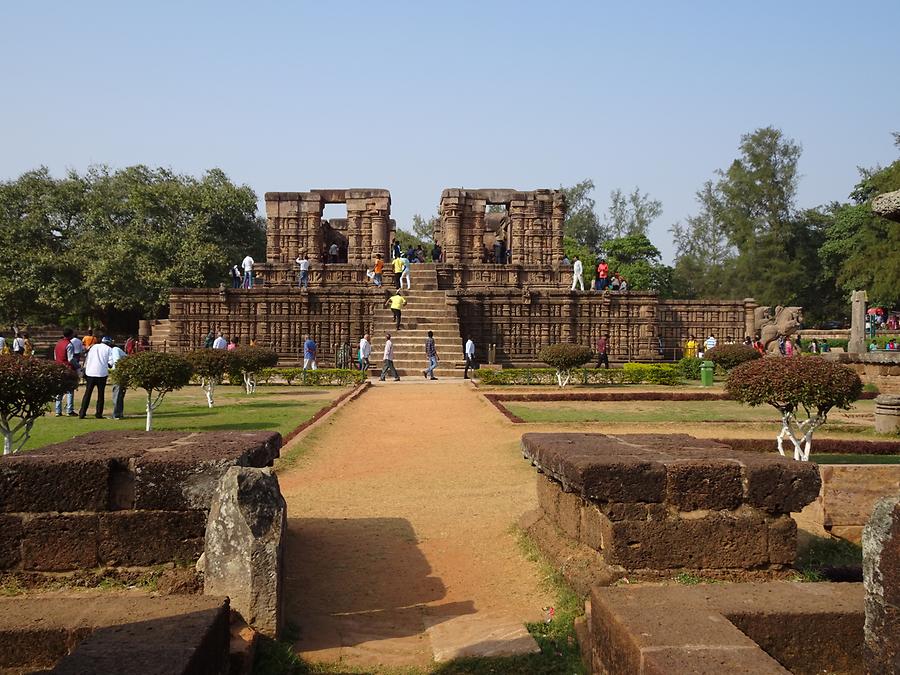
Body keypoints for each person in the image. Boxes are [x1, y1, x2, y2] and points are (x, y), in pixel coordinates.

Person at [79, 336, 113, 419]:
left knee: (87, 393)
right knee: (101, 395)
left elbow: (87, 359)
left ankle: (82, 413)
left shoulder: (93, 347)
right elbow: (110, 363)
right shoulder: (109, 349)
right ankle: (98, 413)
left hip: (90, 372)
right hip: (101, 374)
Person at [54, 328, 79, 416]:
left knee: (59, 390)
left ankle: (57, 410)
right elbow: (70, 358)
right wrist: (77, 365)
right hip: (68, 369)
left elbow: (55, 356)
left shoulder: (58, 343)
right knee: (70, 390)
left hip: (58, 367)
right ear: (71, 335)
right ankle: (69, 409)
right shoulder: (69, 345)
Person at [109, 339, 127, 419]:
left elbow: (117, 362)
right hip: (122, 372)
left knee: (117, 393)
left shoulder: (115, 350)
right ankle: (119, 413)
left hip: (119, 373)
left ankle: (116, 414)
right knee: (119, 394)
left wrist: (114, 372)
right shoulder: (113, 351)